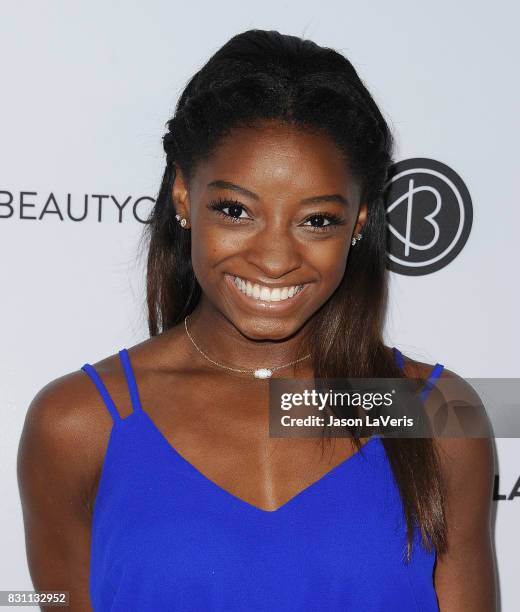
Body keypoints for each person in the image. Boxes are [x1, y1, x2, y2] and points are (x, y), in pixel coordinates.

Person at [17, 29, 496, 611]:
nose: (274, 259)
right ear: (183, 198)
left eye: (316, 220)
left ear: (361, 221)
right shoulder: (78, 423)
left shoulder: (436, 415)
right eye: (235, 210)